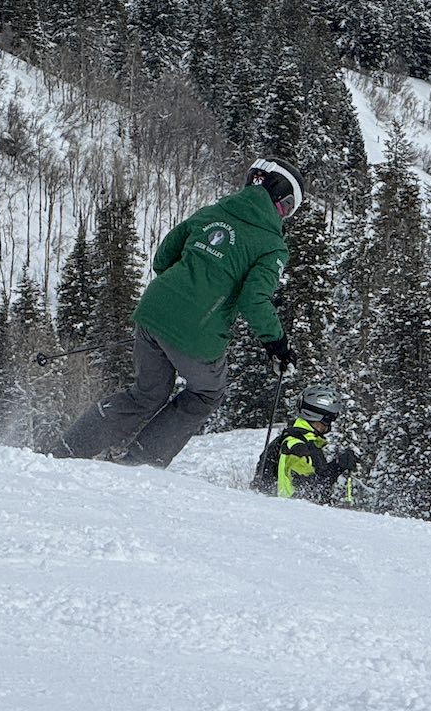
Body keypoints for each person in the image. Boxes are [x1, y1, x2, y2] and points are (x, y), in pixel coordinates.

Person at [57, 159, 302, 467]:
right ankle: (141, 462)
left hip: (152, 313)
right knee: (207, 392)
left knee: (145, 395)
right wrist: (277, 346)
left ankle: (67, 448)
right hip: (197, 333)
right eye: (288, 206)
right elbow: (254, 300)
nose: (286, 213)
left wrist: (190, 283)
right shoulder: (272, 245)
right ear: (278, 195)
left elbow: (162, 258)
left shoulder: (213, 212)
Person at [253, 386, 359, 502]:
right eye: (328, 419)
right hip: (291, 514)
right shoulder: (296, 447)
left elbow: (315, 481)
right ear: (316, 416)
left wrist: (338, 466)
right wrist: (338, 467)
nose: (329, 425)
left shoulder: (301, 442)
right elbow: (310, 491)